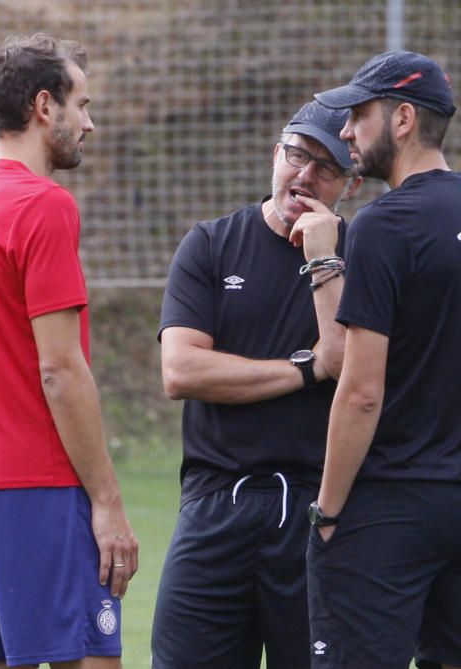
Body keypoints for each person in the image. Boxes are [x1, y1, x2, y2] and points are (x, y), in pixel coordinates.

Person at [308, 51, 461, 669]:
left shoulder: (385, 224)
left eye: (358, 115)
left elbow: (361, 390)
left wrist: (327, 511)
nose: (346, 131)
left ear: (402, 118)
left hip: (388, 510)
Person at [0, 34, 138, 668]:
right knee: (90, 659)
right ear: (44, 106)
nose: (90, 123)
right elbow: (59, 366)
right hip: (37, 480)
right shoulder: (42, 204)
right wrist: (107, 501)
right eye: (82, 104)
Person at [152, 100, 363, 669]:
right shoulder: (212, 245)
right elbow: (183, 372)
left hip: (319, 511)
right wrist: (304, 368)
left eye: (327, 167)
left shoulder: (365, 256)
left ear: (352, 184)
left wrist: (325, 258)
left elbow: (347, 364)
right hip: (217, 502)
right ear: (276, 154)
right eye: (297, 155)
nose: (305, 175)